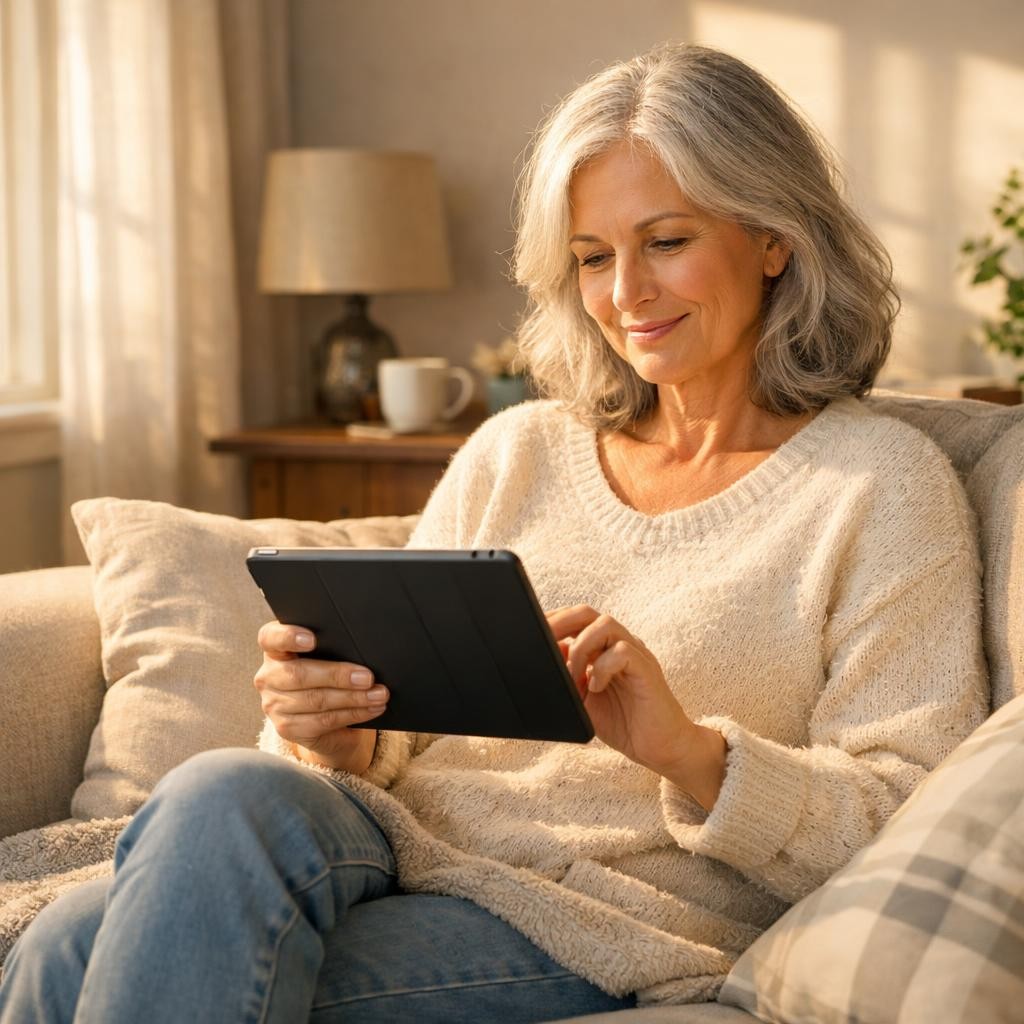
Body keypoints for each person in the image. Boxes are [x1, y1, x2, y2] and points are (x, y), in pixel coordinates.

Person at [0, 42, 988, 1023]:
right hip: (391, 849)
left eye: (667, 240)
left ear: (773, 238)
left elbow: (902, 808)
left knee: (65, 957)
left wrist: (688, 751)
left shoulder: (880, 486)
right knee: (216, 792)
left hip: (608, 919)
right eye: (593, 257)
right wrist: (332, 732)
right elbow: (391, 738)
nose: (625, 294)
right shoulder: (516, 450)